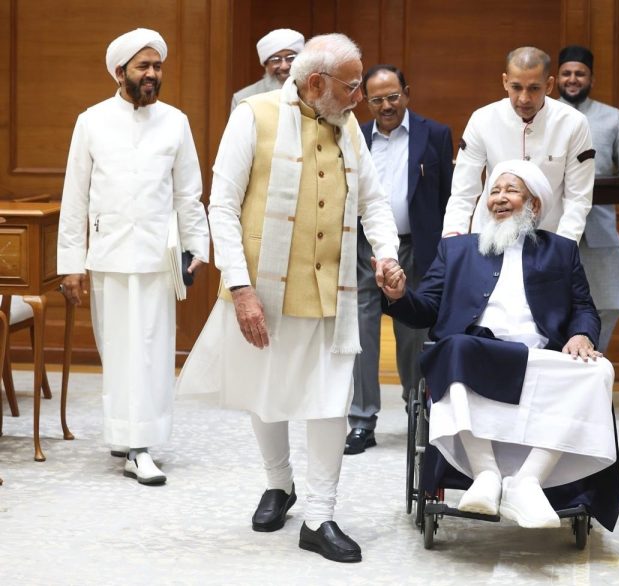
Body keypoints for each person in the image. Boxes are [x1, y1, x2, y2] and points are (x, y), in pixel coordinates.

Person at [177, 33, 401, 563]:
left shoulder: (349, 127)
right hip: (265, 290)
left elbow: (374, 201)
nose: (359, 99)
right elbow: (223, 207)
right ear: (316, 82)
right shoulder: (252, 116)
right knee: (267, 392)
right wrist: (239, 287)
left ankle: (320, 515)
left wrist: (388, 255)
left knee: (330, 402)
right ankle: (280, 484)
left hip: (335, 292)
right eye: (352, 87)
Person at [383, 160, 619, 530]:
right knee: (455, 347)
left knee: (598, 370)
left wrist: (581, 335)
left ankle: (528, 481)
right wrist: (398, 297)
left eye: (511, 190)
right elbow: (426, 307)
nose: (499, 198)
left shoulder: (561, 251)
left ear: (534, 205)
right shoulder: (457, 250)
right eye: (494, 190)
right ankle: (486, 475)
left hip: (541, 358)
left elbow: (584, 308)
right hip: (476, 353)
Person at [57, 28, 210, 485]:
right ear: (119, 71)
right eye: (143, 66)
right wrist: (71, 263)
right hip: (107, 255)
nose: (151, 74)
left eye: (157, 66)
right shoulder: (91, 121)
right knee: (118, 350)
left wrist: (198, 247)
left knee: (150, 352)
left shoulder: (176, 121)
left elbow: (189, 193)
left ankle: (139, 447)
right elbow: (74, 198)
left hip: (157, 257)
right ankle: (124, 434)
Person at [345, 65, 454, 455]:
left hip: (415, 249)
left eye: (393, 96)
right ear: (365, 100)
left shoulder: (435, 135)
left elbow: (447, 198)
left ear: (406, 93)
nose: (386, 105)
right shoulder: (351, 134)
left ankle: (415, 409)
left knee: (412, 333)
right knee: (361, 333)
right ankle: (362, 420)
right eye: (376, 99)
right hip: (364, 250)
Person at [441, 46, 595, 244]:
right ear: (505, 81)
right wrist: (452, 241)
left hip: (549, 240)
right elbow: (463, 192)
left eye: (534, 88)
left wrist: (564, 248)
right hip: (489, 238)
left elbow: (578, 199)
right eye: (516, 87)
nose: (524, 98)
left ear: (549, 85)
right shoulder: (482, 119)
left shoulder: (574, 123)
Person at [558, 45, 619, 351]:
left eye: (579, 74)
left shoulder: (612, 118)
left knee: (608, 302)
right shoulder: (544, 114)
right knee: (553, 308)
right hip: (553, 231)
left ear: (591, 79)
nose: (572, 79)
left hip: (599, 232)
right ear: (556, 77)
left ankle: (593, 369)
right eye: (566, 73)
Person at [230, 28, 305, 112]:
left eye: (291, 58)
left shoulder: (314, 93)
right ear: (265, 65)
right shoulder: (243, 98)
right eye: (276, 60)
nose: (284, 67)